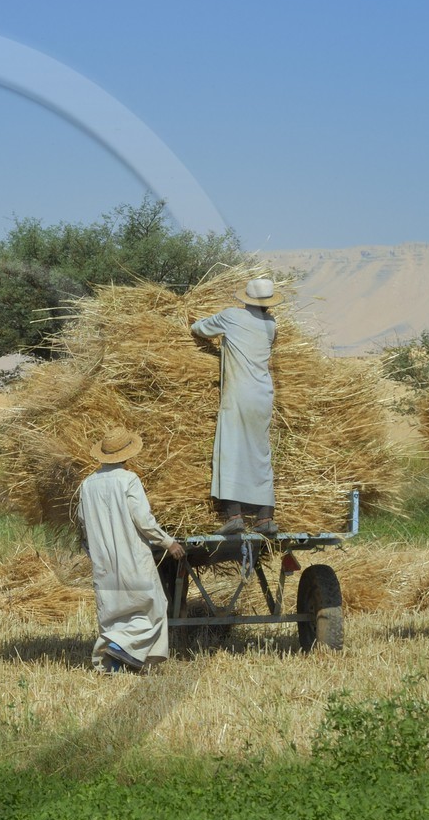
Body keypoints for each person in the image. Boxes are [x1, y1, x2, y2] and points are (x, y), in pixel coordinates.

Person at [77, 428, 186, 673]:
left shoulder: (87, 485)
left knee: (114, 612)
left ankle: (116, 664)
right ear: (127, 454)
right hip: (133, 557)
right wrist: (168, 542)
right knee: (153, 607)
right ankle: (120, 648)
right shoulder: (128, 480)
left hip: (103, 561)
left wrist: (93, 553)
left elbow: (82, 524)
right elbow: (143, 521)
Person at [191, 277, 283, 534]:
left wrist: (189, 319)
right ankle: (265, 517)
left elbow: (200, 328)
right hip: (263, 395)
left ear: (247, 298)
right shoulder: (271, 325)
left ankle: (234, 516)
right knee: (260, 453)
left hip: (238, 393)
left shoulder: (231, 316)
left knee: (231, 449)